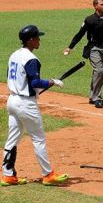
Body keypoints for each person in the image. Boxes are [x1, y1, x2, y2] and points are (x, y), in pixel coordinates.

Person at [1, 25, 68, 186]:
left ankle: (8, 175)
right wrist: (51, 81)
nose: (39, 40)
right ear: (30, 40)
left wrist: (33, 88)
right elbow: (36, 82)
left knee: (12, 140)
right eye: (37, 38)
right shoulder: (31, 59)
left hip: (12, 100)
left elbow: (19, 79)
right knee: (38, 139)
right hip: (25, 104)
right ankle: (47, 174)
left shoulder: (14, 55)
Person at [64, 0, 103, 108]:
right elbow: (80, 34)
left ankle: (93, 95)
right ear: (95, 6)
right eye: (102, 4)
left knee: (100, 73)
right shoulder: (90, 20)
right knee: (99, 70)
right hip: (93, 48)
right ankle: (96, 98)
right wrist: (70, 47)